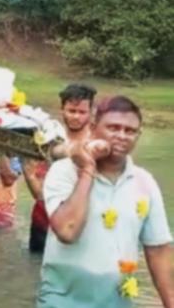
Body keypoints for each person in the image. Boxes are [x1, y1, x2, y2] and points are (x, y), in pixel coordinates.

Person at [37, 96, 174, 307]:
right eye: (113, 128)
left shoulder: (144, 182)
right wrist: (87, 169)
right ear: (93, 128)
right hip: (61, 301)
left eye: (130, 131)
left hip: (118, 301)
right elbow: (67, 231)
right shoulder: (63, 171)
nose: (121, 136)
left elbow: (158, 250)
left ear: (138, 135)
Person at [24, 83, 96, 252]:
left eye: (82, 112)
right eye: (71, 111)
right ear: (62, 110)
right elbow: (39, 193)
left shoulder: (96, 144)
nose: (76, 117)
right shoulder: (48, 138)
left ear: (91, 113)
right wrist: (30, 176)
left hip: (77, 221)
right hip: (42, 220)